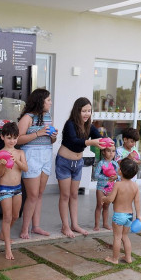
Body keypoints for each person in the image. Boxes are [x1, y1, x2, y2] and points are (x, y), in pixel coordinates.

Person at [57, 97, 104, 238]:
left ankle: (75, 225)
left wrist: (108, 142)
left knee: (74, 195)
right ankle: (65, 226)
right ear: (77, 111)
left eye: (89, 111)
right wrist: (91, 142)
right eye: (84, 111)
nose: (86, 114)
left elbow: (99, 138)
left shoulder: (89, 126)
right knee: (65, 195)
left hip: (78, 163)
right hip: (64, 162)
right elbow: (74, 141)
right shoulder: (70, 124)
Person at [17, 89, 58, 239]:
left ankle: (36, 227)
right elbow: (18, 139)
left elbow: (51, 140)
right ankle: (25, 229)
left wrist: (53, 136)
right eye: (48, 100)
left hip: (46, 154)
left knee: (40, 194)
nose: (50, 103)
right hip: (31, 155)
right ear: (40, 101)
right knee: (33, 195)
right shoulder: (27, 117)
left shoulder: (48, 116)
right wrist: (38, 133)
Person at [0, 122, 28, 260]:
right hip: (5, 189)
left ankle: (3, 234)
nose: (12, 141)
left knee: (15, 216)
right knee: (7, 217)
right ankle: (8, 248)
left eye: (15, 138)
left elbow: (25, 168)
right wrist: (3, 164)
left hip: (17, 189)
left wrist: (17, 161)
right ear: (2, 137)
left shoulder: (20, 153)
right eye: (9, 138)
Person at [102, 158, 141, 264]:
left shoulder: (118, 184)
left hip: (119, 215)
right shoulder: (135, 186)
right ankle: (128, 258)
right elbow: (137, 202)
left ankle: (114, 259)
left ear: (120, 171)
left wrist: (104, 198)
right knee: (125, 236)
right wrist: (138, 215)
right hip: (129, 215)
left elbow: (110, 199)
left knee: (117, 237)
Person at [93, 144, 118, 231]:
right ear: (103, 152)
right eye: (108, 151)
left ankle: (105, 223)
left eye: (113, 151)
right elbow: (95, 175)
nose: (111, 153)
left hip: (110, 189)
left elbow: (119, 175)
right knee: (99, 206)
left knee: (106, 207)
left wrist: (116, 177)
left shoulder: (115, 164)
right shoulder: (101, 163)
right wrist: (107, 177)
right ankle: (96, 225)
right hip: (101, 188)